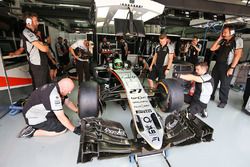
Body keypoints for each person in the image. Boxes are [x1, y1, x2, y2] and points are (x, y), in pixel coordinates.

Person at [210, 25, 243, 108]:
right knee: (213, 81)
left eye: (225, 32)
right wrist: (219, 38)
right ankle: (211, 95)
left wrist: (231, 68)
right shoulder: (223, 41)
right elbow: (212, 49)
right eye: (223, 32)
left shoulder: (237, 40)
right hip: (218, 65)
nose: (223, 34)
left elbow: (237, 55)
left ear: (231, 32)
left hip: (227, 66)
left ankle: (223, 101)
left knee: (224, 85)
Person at [21, 12, 50, 89]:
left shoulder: (34, 34)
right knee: (41, 88)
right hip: (37, 65)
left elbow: (45, 47)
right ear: (28, 22)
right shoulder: (27, 32)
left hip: (42, 63)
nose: (37, 23)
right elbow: (44, 49)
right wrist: (44, 45)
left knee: (46, 86)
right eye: (35, 21)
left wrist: (43, 44)